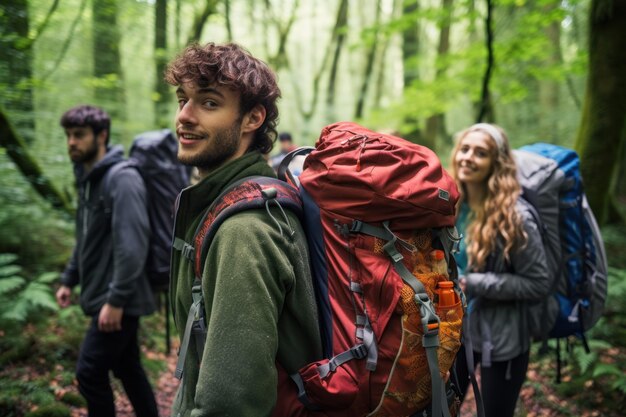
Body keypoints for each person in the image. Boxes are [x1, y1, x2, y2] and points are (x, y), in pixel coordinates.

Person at [164, 42, 322, 416]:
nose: (184, 116)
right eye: (182, 99)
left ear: (253, 119)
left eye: (209, 103)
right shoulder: (233, 203)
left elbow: (231, 401)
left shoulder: (244, 231)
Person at [55, 105, 158, 417]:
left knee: (89, 372)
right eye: (68, 135)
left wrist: (116, 300)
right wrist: (69, 279)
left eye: (79, 135)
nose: (72, 142)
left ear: (102, 136)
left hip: (119, 299)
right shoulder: (89, 179)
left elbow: (133, 245)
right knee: (128, 369)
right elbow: (87, 236)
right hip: (107, 293)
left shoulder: (122, 179)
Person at [450, 123, 550, 417]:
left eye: (480, 153)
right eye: (465, 149)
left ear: (497, 163)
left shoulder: (515, 218)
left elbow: (537, 283)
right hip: (455, 331)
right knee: (443, 408)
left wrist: (474, 283)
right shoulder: (450, 206)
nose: (468, 157)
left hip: (504, 338)